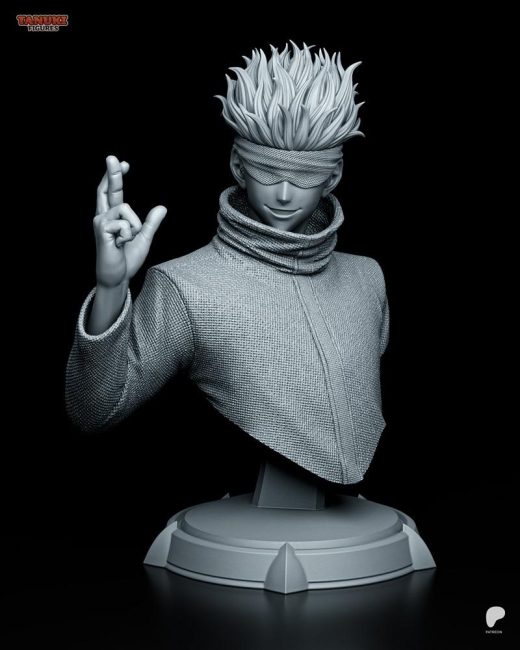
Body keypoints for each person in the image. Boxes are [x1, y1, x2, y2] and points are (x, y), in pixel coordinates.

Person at [66, 43, 389, 486]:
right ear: (238, 165)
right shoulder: (187, 287)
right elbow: (94, 410)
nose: (283, 194)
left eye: (305, 175)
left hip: (355, 519)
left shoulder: (367, 279)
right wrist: (111, 288)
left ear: (333, 177)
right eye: (267, 170)